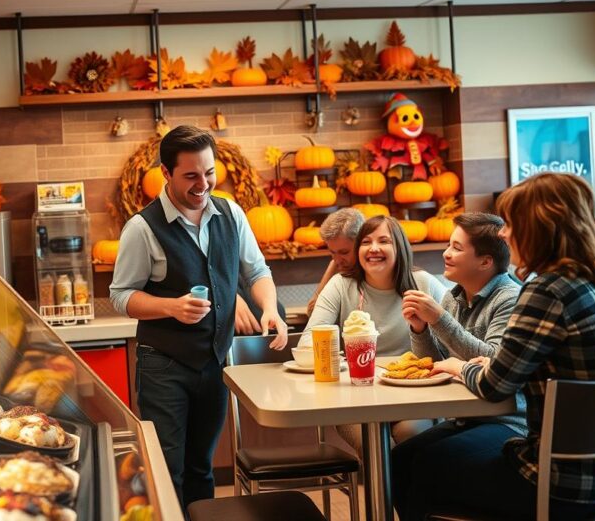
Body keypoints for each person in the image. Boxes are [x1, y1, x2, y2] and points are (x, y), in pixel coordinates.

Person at [404, 173, 595, 521]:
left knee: (404, 467)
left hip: (550, 478)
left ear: (538, 228)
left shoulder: (547, 291)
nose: (503, 233)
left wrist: (461, 367)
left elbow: (494, 385)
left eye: (511, 223)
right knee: (417, 457)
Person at [109, 125, 288, 512]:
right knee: (168, 469)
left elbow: (256, 272)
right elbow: (120, 296)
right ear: (166, 173)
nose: (203, 183)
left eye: (209, 172)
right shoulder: (142, 229)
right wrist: (170, 306)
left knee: (201, 468)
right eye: (191, 175)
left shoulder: (231, 213)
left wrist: (269, 308)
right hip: (164, 366)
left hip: (213, 364)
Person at [391, 212, 526, 517]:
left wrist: (439, 319)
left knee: (428, 463)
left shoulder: (510, 298)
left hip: (508, 422)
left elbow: (493, 359)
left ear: (485, 262)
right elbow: (437, 365)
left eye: (456, 247)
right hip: (469, 419)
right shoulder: (454, 298)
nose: (446, 253)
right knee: (398, 461)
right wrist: (420, 329)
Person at [298, 215, 447, 445]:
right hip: (356, 399)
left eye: (384, 241)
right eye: (366, 242)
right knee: (373, 443)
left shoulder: (425, 284)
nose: (374, 248)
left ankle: (399, 481)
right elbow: (309, 341)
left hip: (414, 398)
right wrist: (344, 361)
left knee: (411, 434)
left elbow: (454, 340)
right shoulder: (340, 285)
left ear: (400, 247)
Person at [305, 208, 365, 315]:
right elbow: (312, 311)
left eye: (344, 252)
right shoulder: (336, 265)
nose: (337, 260)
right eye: (332, 252)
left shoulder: (376, 267)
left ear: (362, 242)